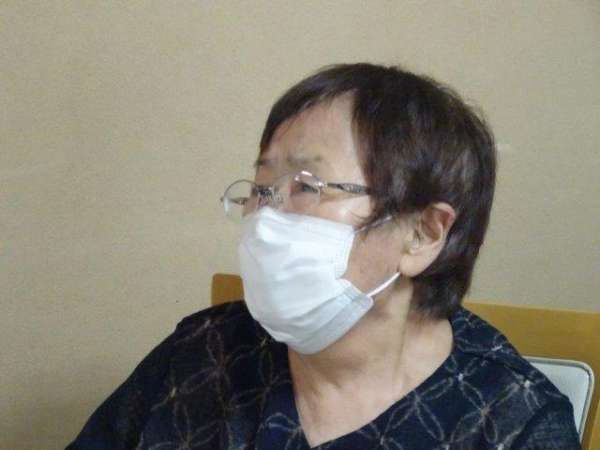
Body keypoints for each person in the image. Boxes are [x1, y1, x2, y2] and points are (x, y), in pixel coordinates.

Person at [67, 63, 581, 449]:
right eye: (262, 189)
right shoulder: (203, 351)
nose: (267, 219)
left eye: (307, 186)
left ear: (422, 234)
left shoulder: (510, 421)